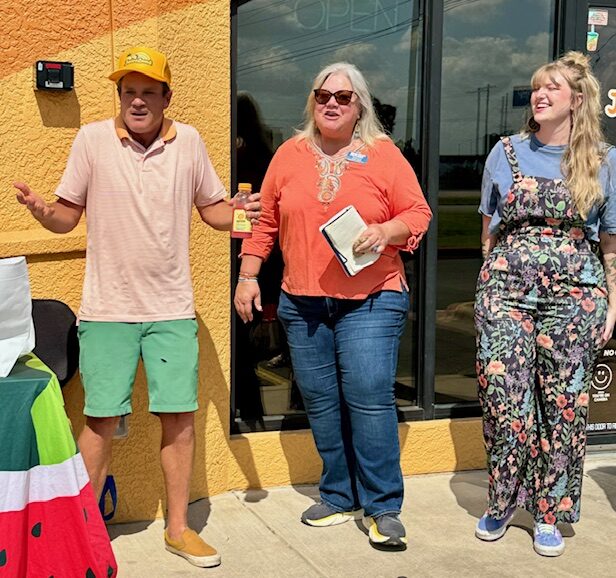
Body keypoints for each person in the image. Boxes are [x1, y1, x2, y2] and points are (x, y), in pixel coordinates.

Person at [14, 46, 261, 569]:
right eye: (129, 92)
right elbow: (65, 218)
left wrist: (239, 214)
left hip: (172, 309)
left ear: (167, 96)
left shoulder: (190, 141)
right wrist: (41, 212)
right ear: (120, 97)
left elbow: (214, 213)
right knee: (100, 420)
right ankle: (81, 530)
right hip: (106, 310)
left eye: (149, 91)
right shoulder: (92, 140)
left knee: (180, 419)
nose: (138, 101)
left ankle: (177, 529)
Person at [234, 62, 432, 550]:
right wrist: (248, 276)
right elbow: (264, 222)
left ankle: (383, 506)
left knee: (367, 395)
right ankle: (339, 494)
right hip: (303, 302)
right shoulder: (289, 154)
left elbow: (419, 212)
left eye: (343, 97)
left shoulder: (383, 155)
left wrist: (386, 231)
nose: (332, 103)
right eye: (323, 94)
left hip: (372, 298)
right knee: (321, 402)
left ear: (359, 104)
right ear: (312, 100)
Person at [474, 51, 616, 557]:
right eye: (537, 86)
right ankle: (503, 500)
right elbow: (488, 233)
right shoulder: (504, 152)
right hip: (507, 293)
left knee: (564, 406)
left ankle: (550, 512)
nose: (540, 94)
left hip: (577, 298)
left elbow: (611, 243)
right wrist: (489, 285)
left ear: (577, 100)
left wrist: (612, 302)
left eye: (552, 87)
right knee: (503, 398)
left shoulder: (603, 160)